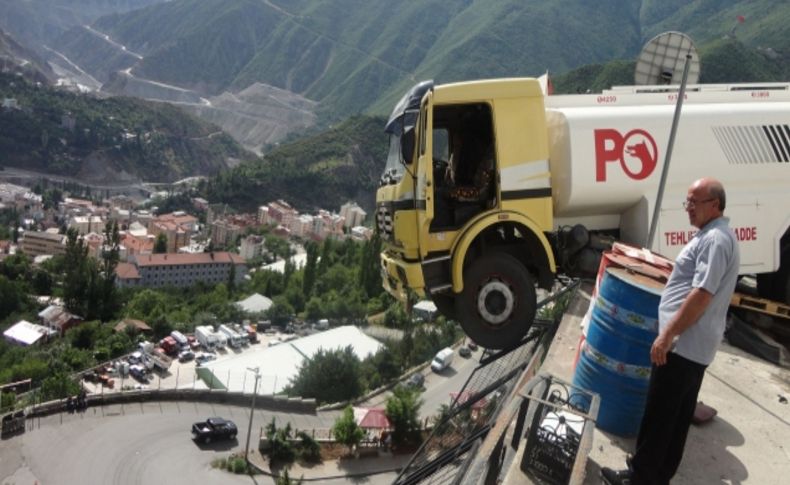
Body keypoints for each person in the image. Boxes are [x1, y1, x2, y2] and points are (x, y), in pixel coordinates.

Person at [601, 178, 740, 485]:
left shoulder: (715, 239)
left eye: (695, 202)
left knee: (660, 415)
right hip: (694, 346)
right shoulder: (716, 236)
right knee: (676, 419)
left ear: (715, 205)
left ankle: (638, 478)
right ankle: (657, 475)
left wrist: (668, 335)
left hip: (683, 345)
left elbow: (702, 293)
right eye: (687, 202)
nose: (688, 208)